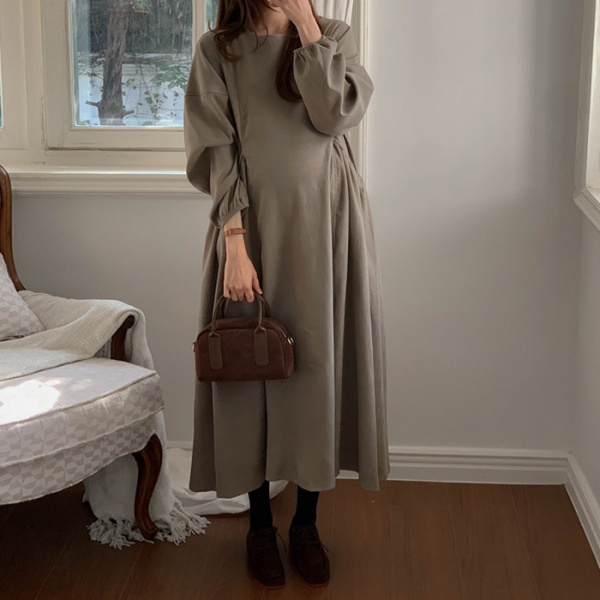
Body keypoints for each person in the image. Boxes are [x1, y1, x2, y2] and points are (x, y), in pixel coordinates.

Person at [183, 0, 390, 589]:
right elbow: (216, 148)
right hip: (251, 227)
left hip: (327, 224)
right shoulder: (217, 50)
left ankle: (305, 525)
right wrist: (235, 243)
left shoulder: (333, 37)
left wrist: (307, 30)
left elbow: (333, 115)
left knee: (315, 367)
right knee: (249, 368)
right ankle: (258, 526)